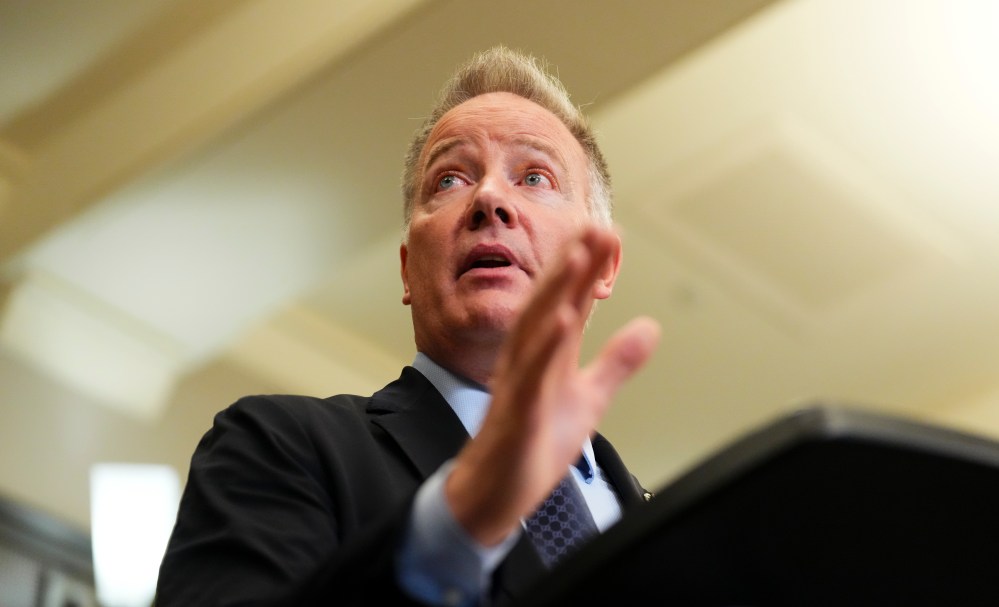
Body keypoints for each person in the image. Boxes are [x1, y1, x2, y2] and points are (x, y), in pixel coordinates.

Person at [155, 45, 661, 607]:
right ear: (406, 270)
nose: (489, 198)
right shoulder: (279, 445)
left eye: (535, 176)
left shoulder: (671, 530)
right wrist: (453, 530)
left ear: (605, 264)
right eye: (449, 180)